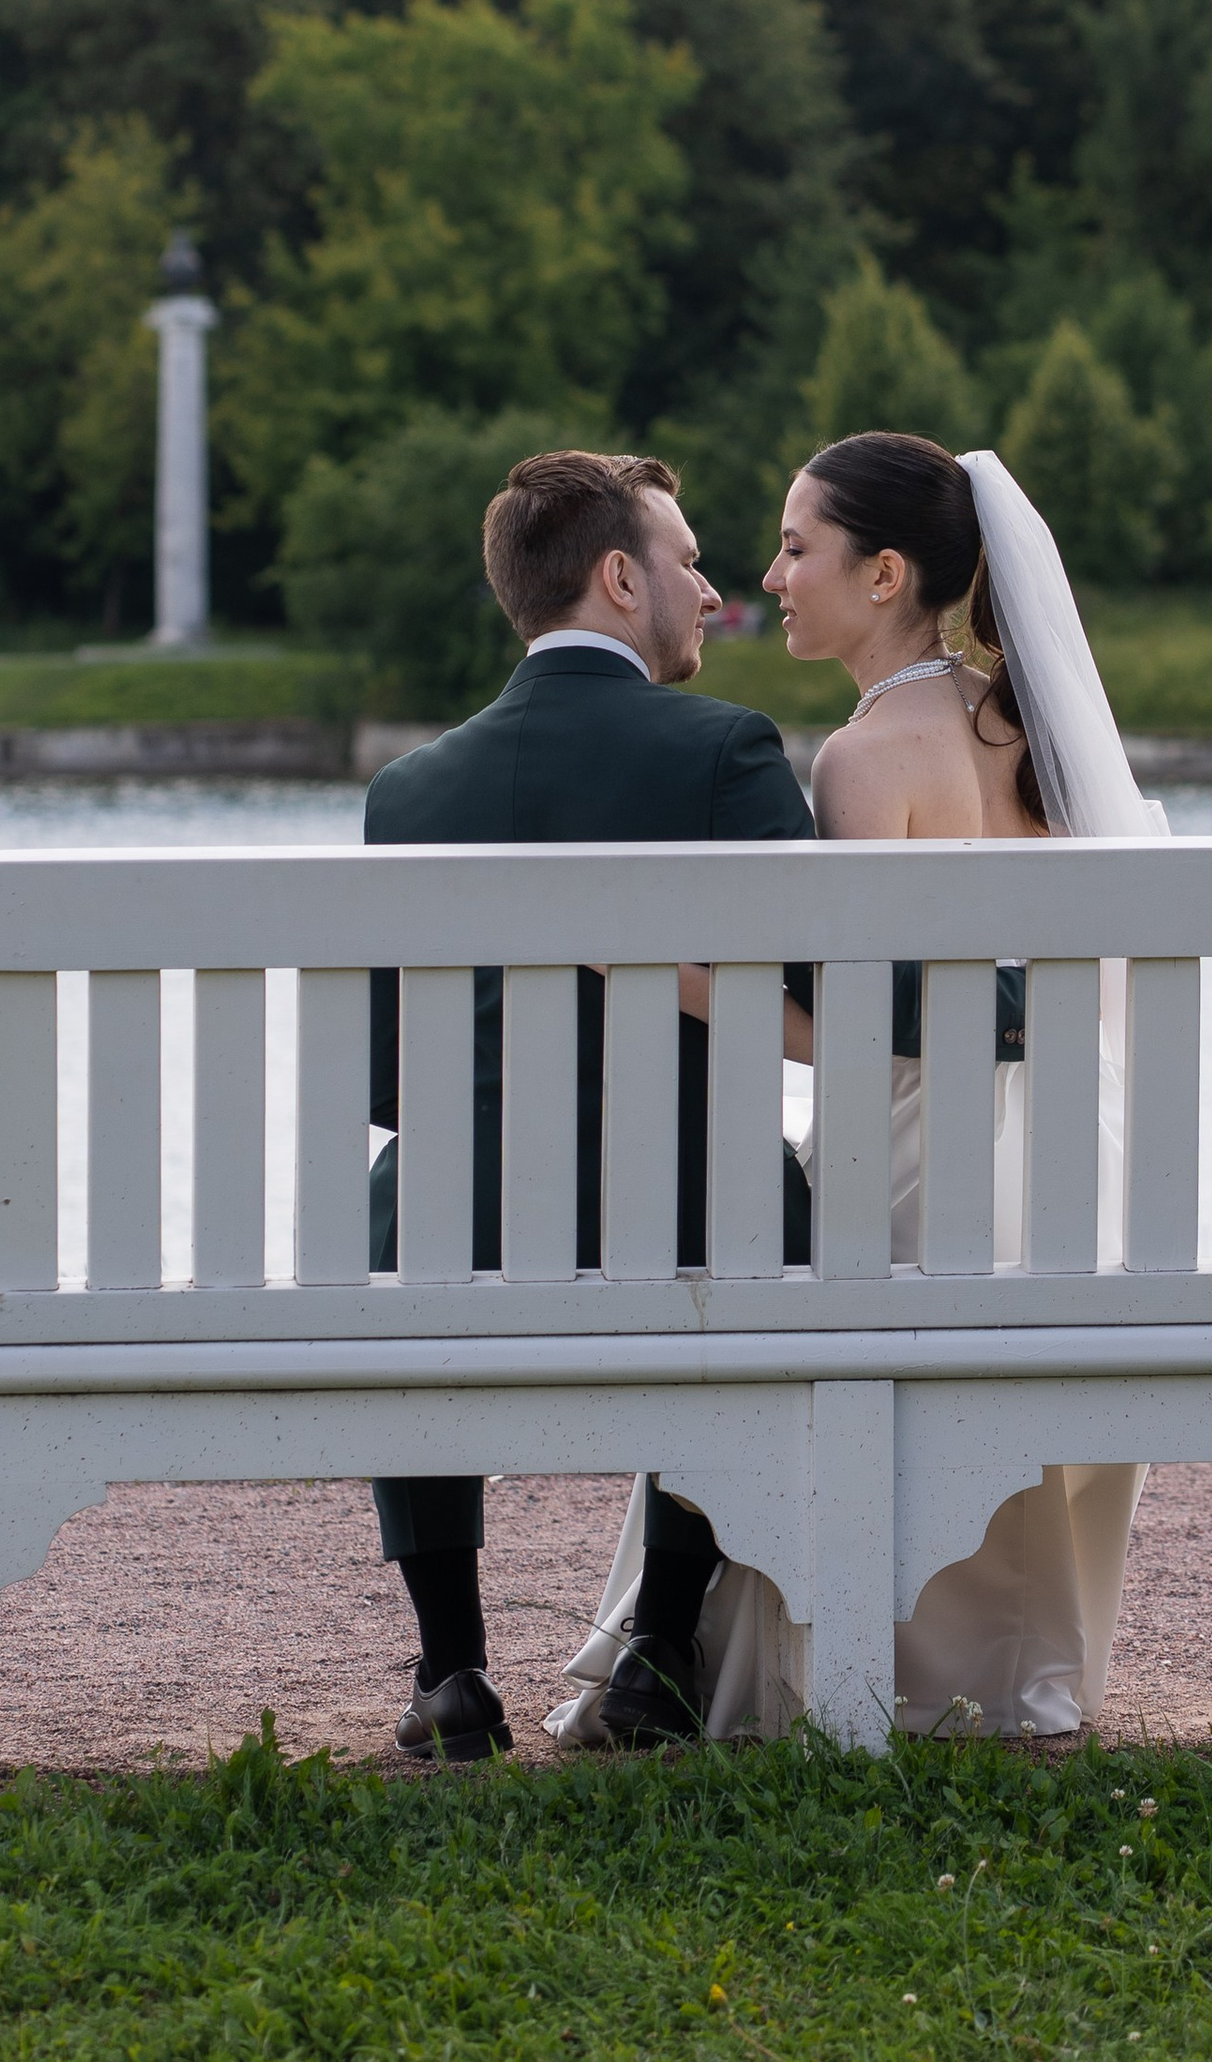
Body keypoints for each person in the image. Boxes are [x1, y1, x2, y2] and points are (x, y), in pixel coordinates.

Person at [557, 432, 1160, 1742]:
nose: (768, 576)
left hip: (935, 1169)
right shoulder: (1025, 726)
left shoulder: (864, 756)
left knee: (765, 1275)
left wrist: (661, 971)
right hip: (1076, 1165)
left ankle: (729, 1660)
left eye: (795, 547)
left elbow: (850, 1033)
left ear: (885, 573)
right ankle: (1010, 1677)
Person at [364, 447, 816, 1762]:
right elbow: (816, 1003)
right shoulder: (725, 750)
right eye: (685, 562)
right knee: (750, 1194)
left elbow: (391, 1075)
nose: (712, 588)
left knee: (409, 1207)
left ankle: (452, 1668)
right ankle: (660, 1648)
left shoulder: (411, 790)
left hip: (459, 1231)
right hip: (689, 1217)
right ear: (620, 580)